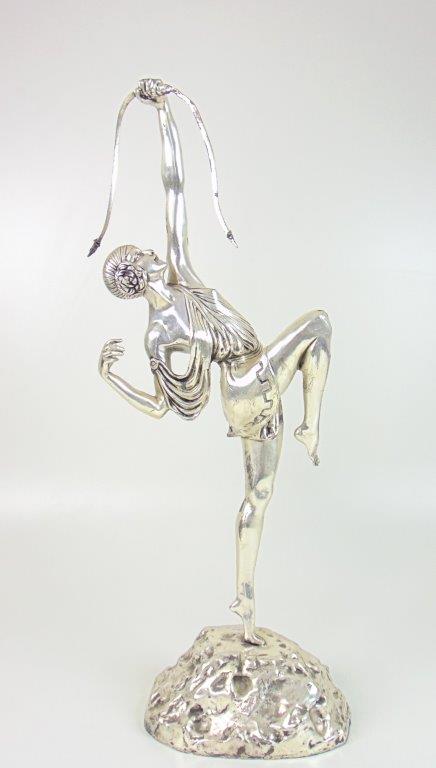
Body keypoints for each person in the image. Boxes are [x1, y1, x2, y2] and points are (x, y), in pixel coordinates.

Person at [98, 83, 331, 645]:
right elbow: (163, 405)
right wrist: (112, 378)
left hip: (245, 393)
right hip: (251, 375)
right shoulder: (161, 329)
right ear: (137, 272)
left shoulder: (179, 283)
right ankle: (311, 423)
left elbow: (174, 188)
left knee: (258, 496)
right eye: (144, 253)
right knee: (319, 324)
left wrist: (163, 115)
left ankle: (244, 606)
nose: (154, 249)